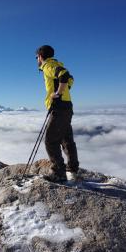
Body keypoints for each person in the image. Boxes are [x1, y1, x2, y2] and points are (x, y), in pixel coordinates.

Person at [36, 45, 79, 182]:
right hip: (67, 106)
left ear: (41, 56)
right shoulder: (56, 64)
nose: (37, 59)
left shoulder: (48, 66)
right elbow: (70, 79)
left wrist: (57, 94)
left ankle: (58, 173)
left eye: (37, 57)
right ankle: (72, 170)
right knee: (66, 139)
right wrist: (63, 91)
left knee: (50, 140)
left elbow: (64, 75)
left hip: (59, 108)